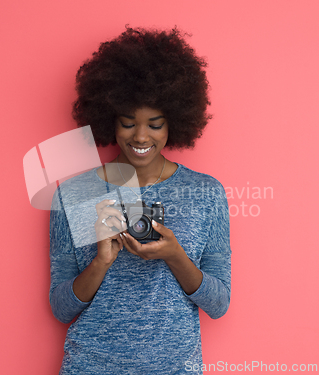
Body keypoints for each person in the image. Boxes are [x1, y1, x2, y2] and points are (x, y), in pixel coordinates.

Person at [49, 26, 231, 374]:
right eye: (129, 123)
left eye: (156, 124)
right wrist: (101, 261)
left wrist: (175, 255)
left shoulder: (206, 193)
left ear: (174, 123)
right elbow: (61, 309)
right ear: (110, 121)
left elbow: (219, 303)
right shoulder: (72, 194)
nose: (142, 136)